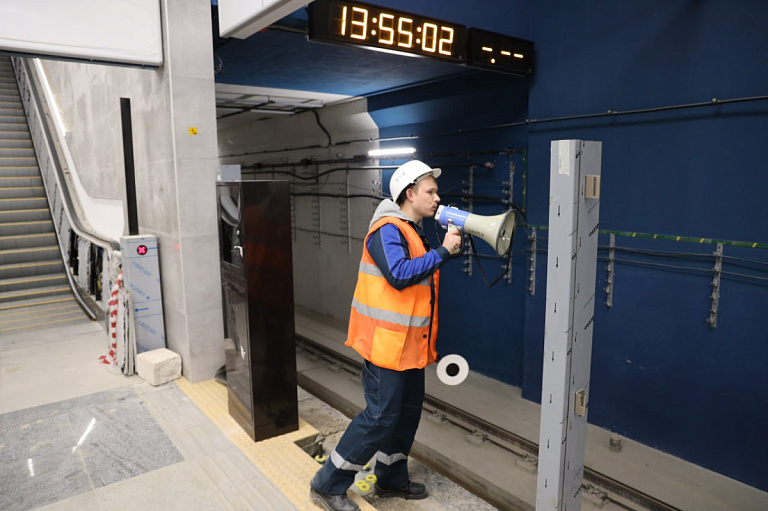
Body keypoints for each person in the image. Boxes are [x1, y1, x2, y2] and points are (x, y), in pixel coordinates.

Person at [309, 160, 462, 511]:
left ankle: (391, 478)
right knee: (380, 417)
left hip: (409, 346)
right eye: (430, 191)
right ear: (410, 194)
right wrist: (442, 252)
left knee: (406, 414)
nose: (437, 197)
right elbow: (398, 274)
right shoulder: (387, 229)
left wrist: (444, 251)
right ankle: (327, 483)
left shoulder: (411, 229)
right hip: (385, 346)